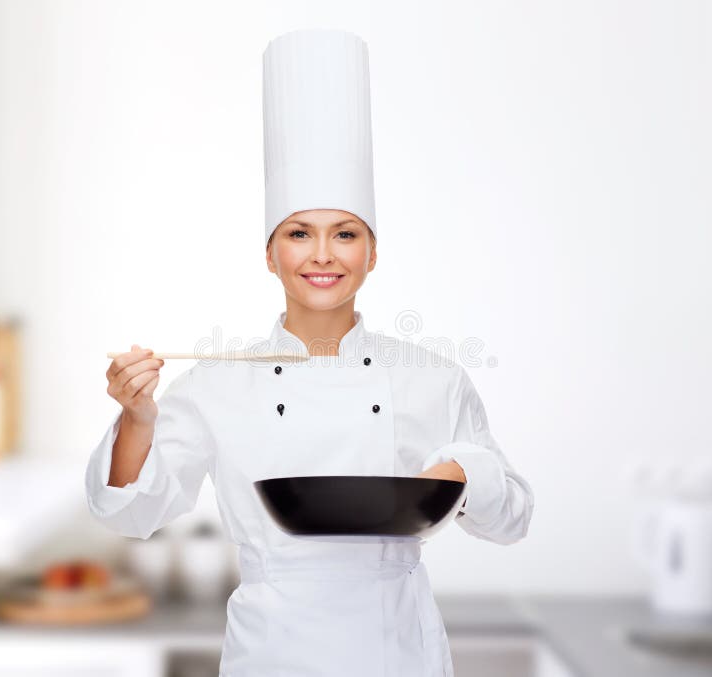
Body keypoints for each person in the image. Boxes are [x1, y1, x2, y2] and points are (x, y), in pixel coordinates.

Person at [86, 29, 534, 677]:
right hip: (272, 653)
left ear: (372, 252)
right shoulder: (216, 384)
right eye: (299, 232)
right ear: (271, 253)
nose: (323, 254)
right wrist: (137, 417)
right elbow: (129, 510)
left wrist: (462, 473)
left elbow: (513, 515)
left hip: (397, 651)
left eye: (345, 233)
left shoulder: (432, 378)